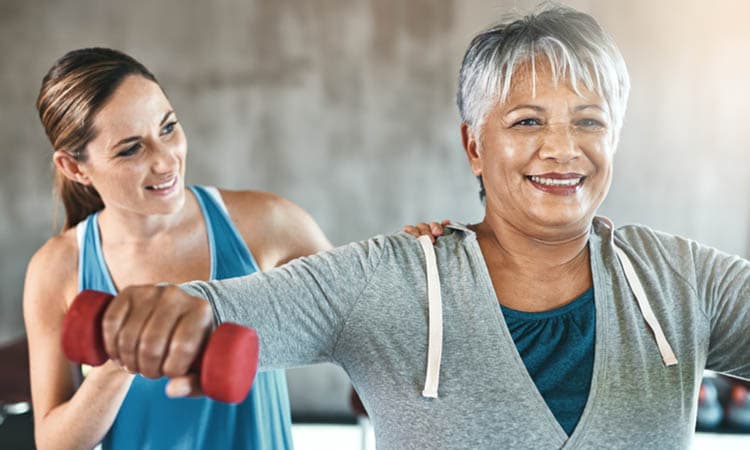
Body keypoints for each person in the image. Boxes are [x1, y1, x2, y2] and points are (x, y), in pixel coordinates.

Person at [81, 5, 750, 449]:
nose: (562, 149)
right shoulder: (388, 279)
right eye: (527, 121)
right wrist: (171, 314)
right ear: (473, 146)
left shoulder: (685, 281)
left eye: (589, 121)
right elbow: (228, 309)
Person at [22, 48, 442, 450]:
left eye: (168, 127)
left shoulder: (268, 222)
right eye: (131, 148)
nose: (166, 160)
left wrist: (423, 267)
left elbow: (369, 327)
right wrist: (118, 363)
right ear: (74, 167)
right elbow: (55, 442)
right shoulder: (57, 268)